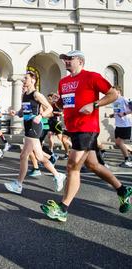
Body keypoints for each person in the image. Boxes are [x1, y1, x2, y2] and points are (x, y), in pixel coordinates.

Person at [40, 50, 132, 222]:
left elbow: (113, 94)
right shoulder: (63, 82)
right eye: (64, 59)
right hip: (72, 129)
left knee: (72, 166)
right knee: (93, 165)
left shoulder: (92, 77)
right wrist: (56, 103)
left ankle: (63, 208)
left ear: (80, 61)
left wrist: (94, 104)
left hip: (87, 128)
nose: (66, 61)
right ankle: (123, 190)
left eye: (69, 59)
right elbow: (64, 103)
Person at [4, 72, 66, 195]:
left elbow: (50, 108)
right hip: (28, 126)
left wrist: (40, 115)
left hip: (35, 125)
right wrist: (15, 113)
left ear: (33, 80)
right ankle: (58, 175)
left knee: (24, 156)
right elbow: (23, 111)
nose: (23, 80)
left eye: (26, 78)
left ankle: (19, 184)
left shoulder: (36, 94)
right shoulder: (25, 95)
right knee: (39, 157)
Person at [108, 87, 132, 168]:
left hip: (125, 125)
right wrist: (113, 115)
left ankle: (127, 160)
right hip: (118, 125)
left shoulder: (123, 99)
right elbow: (118, 112)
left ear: (118, 92)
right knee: (118, 143)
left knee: (119, 143)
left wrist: (124, 113)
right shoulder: (115, 101)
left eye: (113, 91)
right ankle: (129, 155)